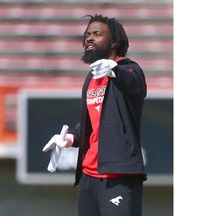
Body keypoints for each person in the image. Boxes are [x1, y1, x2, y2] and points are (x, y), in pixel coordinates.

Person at [43, 14, 147, 216]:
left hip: (118, 175)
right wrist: (71, 138)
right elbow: (93, 122)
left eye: (97, 34)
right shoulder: (91, 77)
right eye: (87, 35)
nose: (89, 38)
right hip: (88, 174)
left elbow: (132, 83)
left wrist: (114, 69)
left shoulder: (131, 70)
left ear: (114, 42)